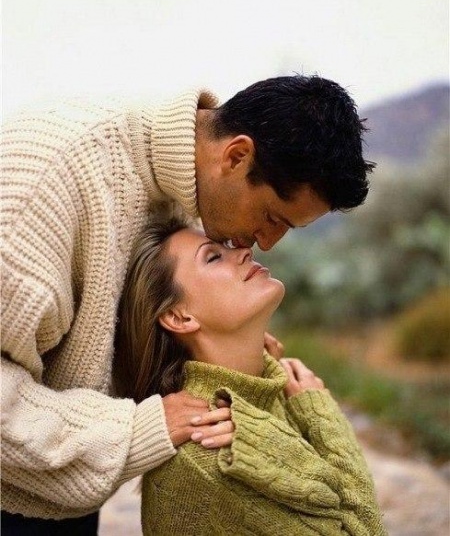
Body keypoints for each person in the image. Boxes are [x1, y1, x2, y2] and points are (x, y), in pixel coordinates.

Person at [1, 74, 373, 531]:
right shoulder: (41, 188)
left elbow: (122, 314)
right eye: (271, 217)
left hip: (59, 485)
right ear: (236, 156)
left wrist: (233, 353)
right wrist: (139, 429)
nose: (266, 244)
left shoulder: (183, 181)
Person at [114, 214, 387, 536]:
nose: (244, 251)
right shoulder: (209, 451)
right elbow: (363, 529)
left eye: (228, 246)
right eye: (213, 257)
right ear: (179, 317)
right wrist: (320, 413)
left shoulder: (272, 391)